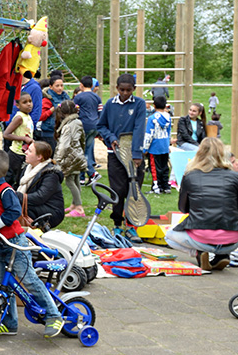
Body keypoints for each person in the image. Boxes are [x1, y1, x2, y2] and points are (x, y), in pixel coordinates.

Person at [0, 149, 64, 338]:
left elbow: (13, 212)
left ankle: (54, 315)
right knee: (3, 285)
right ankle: (9, 323)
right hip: (1, 245)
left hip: (15, 243)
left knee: (28, 280)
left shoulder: (5, 191)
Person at [164, 137, 238, 271]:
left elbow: (183, 208)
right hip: (233, 238)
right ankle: (221, 255)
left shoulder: (190, 176)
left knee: (169, 237)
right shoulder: (235, 176)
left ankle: (198, 252)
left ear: (199, 153)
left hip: (201, 236)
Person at [96, 73, 147, 240]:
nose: (125, 93)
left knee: (134, 190)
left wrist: (137, 153)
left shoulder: (139, 104)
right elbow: (101, 126)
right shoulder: (110, 104)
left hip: (134, 154)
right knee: (117, 190)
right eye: (122, 90)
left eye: (128, 90)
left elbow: (139, 128)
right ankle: (117, 224)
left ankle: (132, 226)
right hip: (115, 154)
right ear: (117, 88)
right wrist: (111, 138)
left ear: (134, 89)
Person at [17, 140, 65, 230]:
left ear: (39, 157)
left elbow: (40, 197)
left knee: (17, 208)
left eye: (30, 151)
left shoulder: (51, 174)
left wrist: (17, 196)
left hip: (52, 211)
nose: (26, 152)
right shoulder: (28, 168)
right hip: (35, 205)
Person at [52, 101, 87, 218]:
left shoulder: (67, 126)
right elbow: (83, 139)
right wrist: (81, 151)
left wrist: (57, 159)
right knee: (76, 179)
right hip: (77, 154)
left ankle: (79, 208)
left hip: (69, 156)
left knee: (69, 181)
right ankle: (74, 204)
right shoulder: (78, 122)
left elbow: (64, 146)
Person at [72, 76, 102, 184]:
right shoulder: (97, 97)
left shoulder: (79, 97)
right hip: (95, 125)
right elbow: (100, 112)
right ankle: (82, 178)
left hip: (83, 125)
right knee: (87, 151)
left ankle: (92, 173)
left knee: (80, 152)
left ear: (81, 85)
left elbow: (74, 111)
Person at [1, 92, 34, 187]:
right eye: (25, 102)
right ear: (18, 105)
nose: (29, 104)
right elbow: (6, 134)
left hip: (24, 153)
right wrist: (24, 138)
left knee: (20, 179)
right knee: (12, 180)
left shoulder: (27, 116)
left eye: (30, 101)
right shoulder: (19, 117)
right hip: (16, 154)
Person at [143, 95, 172, 194]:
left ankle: (156, 186)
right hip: (164, 145)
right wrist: (168, 144)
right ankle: (165, 185)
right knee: (164, 166)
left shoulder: (152, 118)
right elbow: (169, 132)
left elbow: (149, 134)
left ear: (154, 105)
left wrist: (145, 148)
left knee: (154, 167)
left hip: (155, 146)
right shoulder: (168, 117)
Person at [37, 74, 70, 147]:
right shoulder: (47, 99)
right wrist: (50, 111)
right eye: (57, 86)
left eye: (61, 85)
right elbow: (40, 117)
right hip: (50, 134)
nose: (60, 88)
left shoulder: (66, 97)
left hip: (64, 132)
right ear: (50, 87)